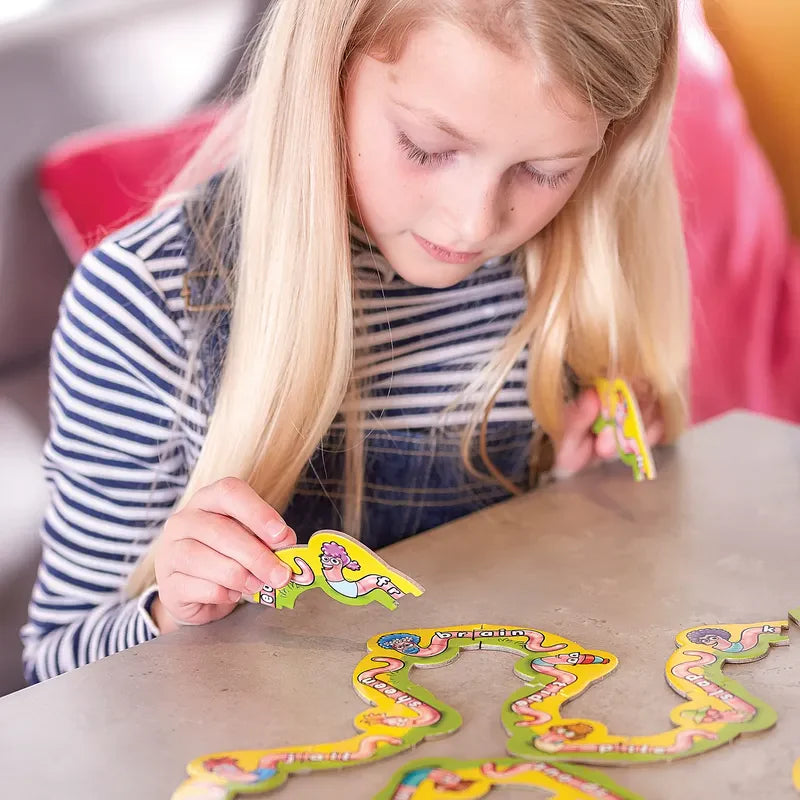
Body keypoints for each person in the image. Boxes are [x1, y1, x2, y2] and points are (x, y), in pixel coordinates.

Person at [22, 0, 689, 683]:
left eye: (545, 171)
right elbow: (55, 668)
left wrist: (580, 495)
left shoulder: (566, 265)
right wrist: (170, 613)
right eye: (427, 147)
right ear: (328, 69)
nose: (474, 222)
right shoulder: (148, 301)